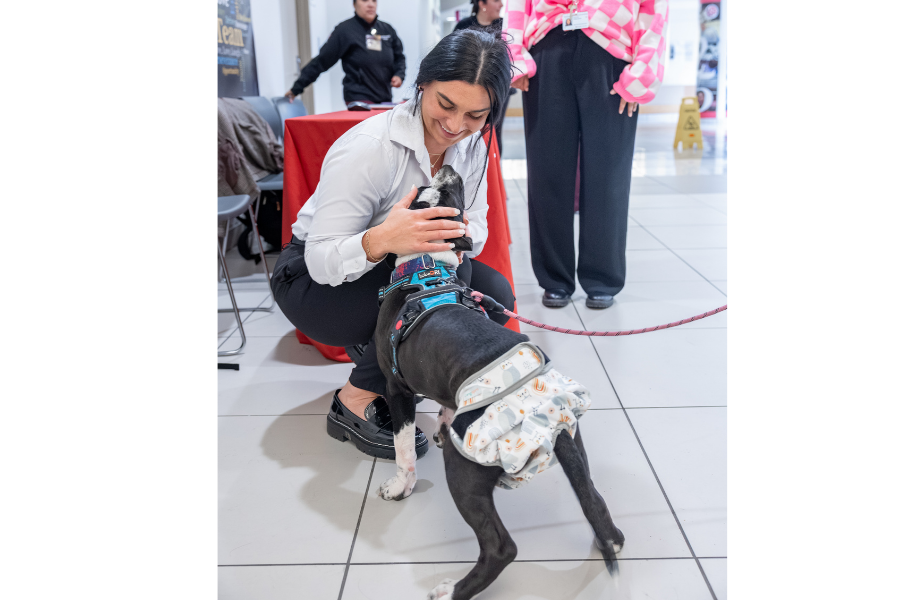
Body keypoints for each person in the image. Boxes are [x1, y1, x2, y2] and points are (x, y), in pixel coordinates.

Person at [273, 30, 515, 459]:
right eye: (445, 104)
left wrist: (450, 239)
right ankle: (354, 399)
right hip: (311, 280)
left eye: (476, 115)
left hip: (390, 272)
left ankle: (396, 361)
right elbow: (322, 259)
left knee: (492, 294)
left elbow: (476, 227)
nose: (456, 126)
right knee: (443, 281)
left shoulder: (474, 147)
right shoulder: (371, 147)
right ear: (422, 83)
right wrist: (385, 237)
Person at [505, 1, 669, 309]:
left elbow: (654, 11)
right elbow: (517, 6)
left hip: (612, 52)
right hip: (547, 47)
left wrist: (642, 74)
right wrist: (514, 58)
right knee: (546, 170)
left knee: (609, 174)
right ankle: (554, 278)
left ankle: (602, 276)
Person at [285, 0, 406, 107]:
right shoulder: (344, 30)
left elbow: (399, 57)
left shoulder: (387, 30)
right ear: (354, 4)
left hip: (384, 99)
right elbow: (322, 61)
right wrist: (297, 88)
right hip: (358, 99)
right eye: (364, 0)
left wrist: (399, 75)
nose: (370, 4)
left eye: (374, 0)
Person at [454, 0, 513, 156]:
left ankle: (493, 168)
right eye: (496, 1)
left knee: (494, 129)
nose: (501, 5)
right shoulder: (464, 25)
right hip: (470, 87)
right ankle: (468, 163)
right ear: (482, 3)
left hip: (499, 87)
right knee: (471, 126)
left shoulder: (504, 25)